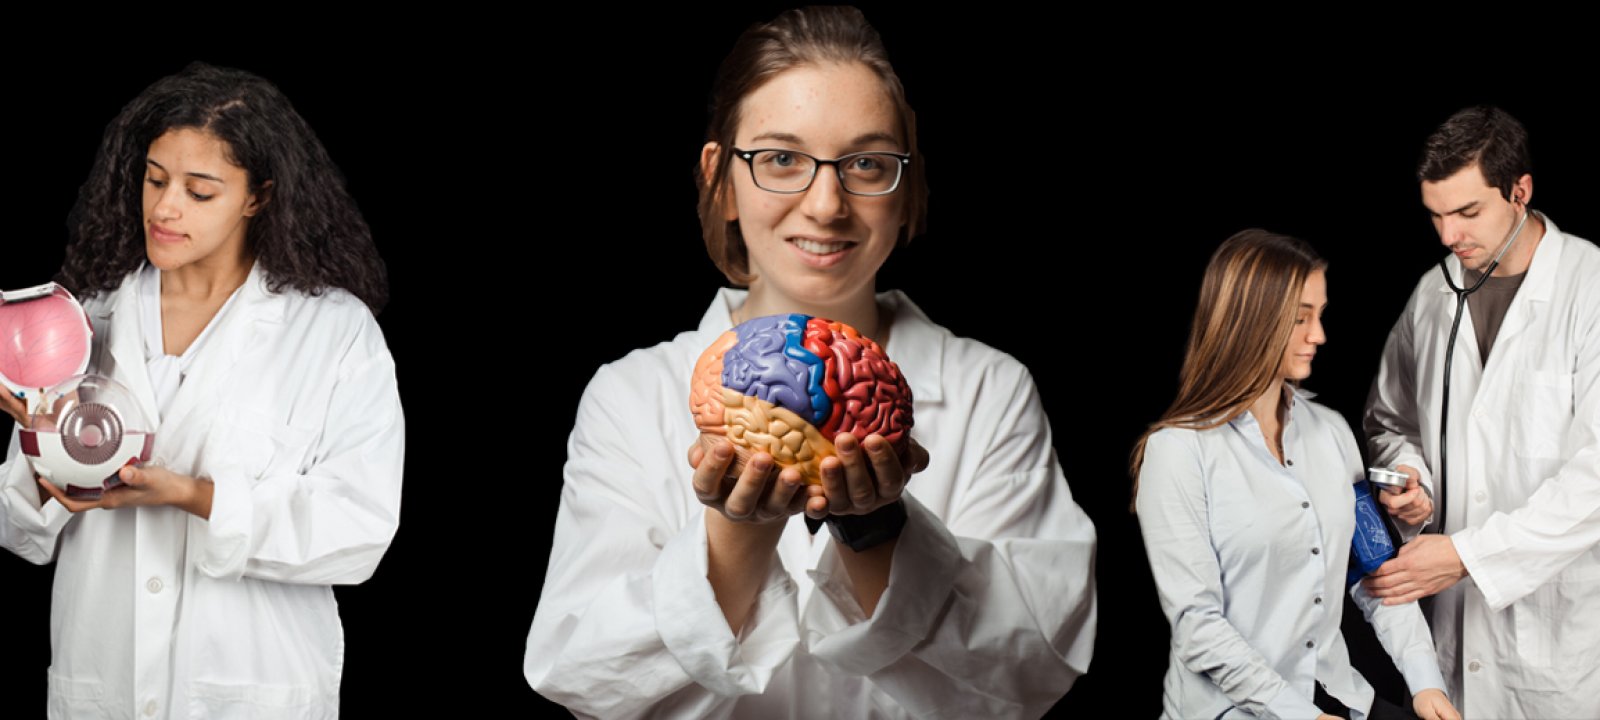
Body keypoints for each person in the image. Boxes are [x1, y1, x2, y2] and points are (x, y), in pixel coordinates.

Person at [523, 6, 1096, 718]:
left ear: (905, 185)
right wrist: (735, 536)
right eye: (782, 158)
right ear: (721, 179)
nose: (826, 204)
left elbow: (1035, 670)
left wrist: (880, 531)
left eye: (866, 163)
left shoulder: (990, 389)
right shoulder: (630, 395)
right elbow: (581, 674)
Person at [0, 63, 404, 718]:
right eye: (155, 178)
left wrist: (194, 496)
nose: (164, 207)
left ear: (257, 196)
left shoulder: (331, 333)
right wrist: (48, 460)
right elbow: (20, 525)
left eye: (200, 190)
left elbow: (359, 529)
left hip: (251, 690)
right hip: (105, 683)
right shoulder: (86, 317)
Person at [1133, 230, 1458, 720]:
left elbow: (1377, 573)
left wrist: (1426, 683)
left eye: (1320, 315)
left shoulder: (1330, 433)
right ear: (1251, 321)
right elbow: (1198, 626)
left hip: (1338, 695)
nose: (1319, 335)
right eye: (1300, 317)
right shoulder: (1177, 453)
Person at [1362, 106, 1600, 718]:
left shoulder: (1591, 287)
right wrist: (1413, 484)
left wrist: (1468, 555)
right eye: (1436, 215)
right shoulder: (1432, 292)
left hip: (1556, 635)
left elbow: (1596, 475)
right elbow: (1391, 422)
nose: (1448, 237)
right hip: (1451, 638)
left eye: (1468, 213)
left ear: (1520, 192)